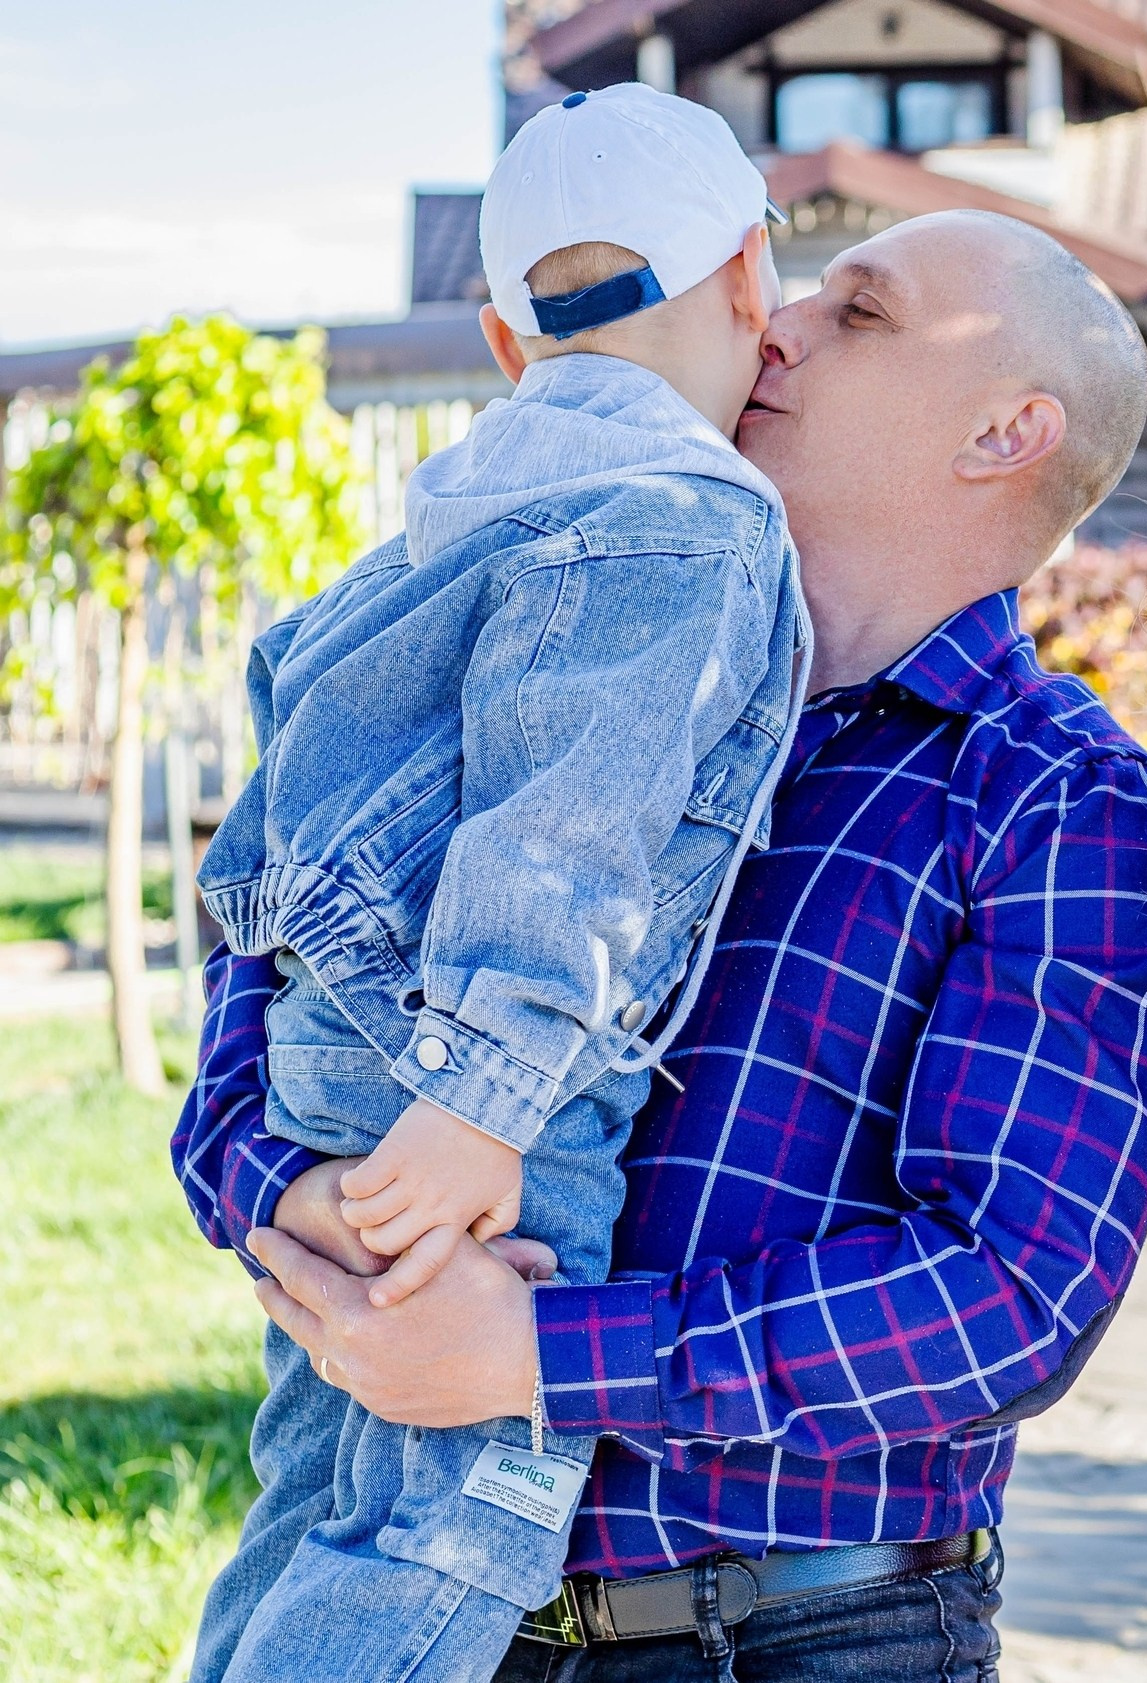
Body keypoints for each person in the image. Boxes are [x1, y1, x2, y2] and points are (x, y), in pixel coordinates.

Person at [174, 208, 1147, 1683]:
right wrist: (307, 1194)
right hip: (410, 1604)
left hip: (801, 1637)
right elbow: (258, 980)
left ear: (1008, 431)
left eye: (858, 313)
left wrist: (537, 1357)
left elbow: (1012, 1298)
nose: (769, 325)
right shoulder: (543, 679)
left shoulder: (1068, 802)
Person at [191, 83, 807, 1683]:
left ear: (499, 336)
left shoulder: (429, 528)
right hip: (483, 1096)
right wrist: (483, 1099)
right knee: (439, 1538)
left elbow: (281, 782)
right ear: (753, 280)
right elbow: (570, 835)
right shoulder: (687, 519)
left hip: (332, 1051)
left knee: (320, 1491)